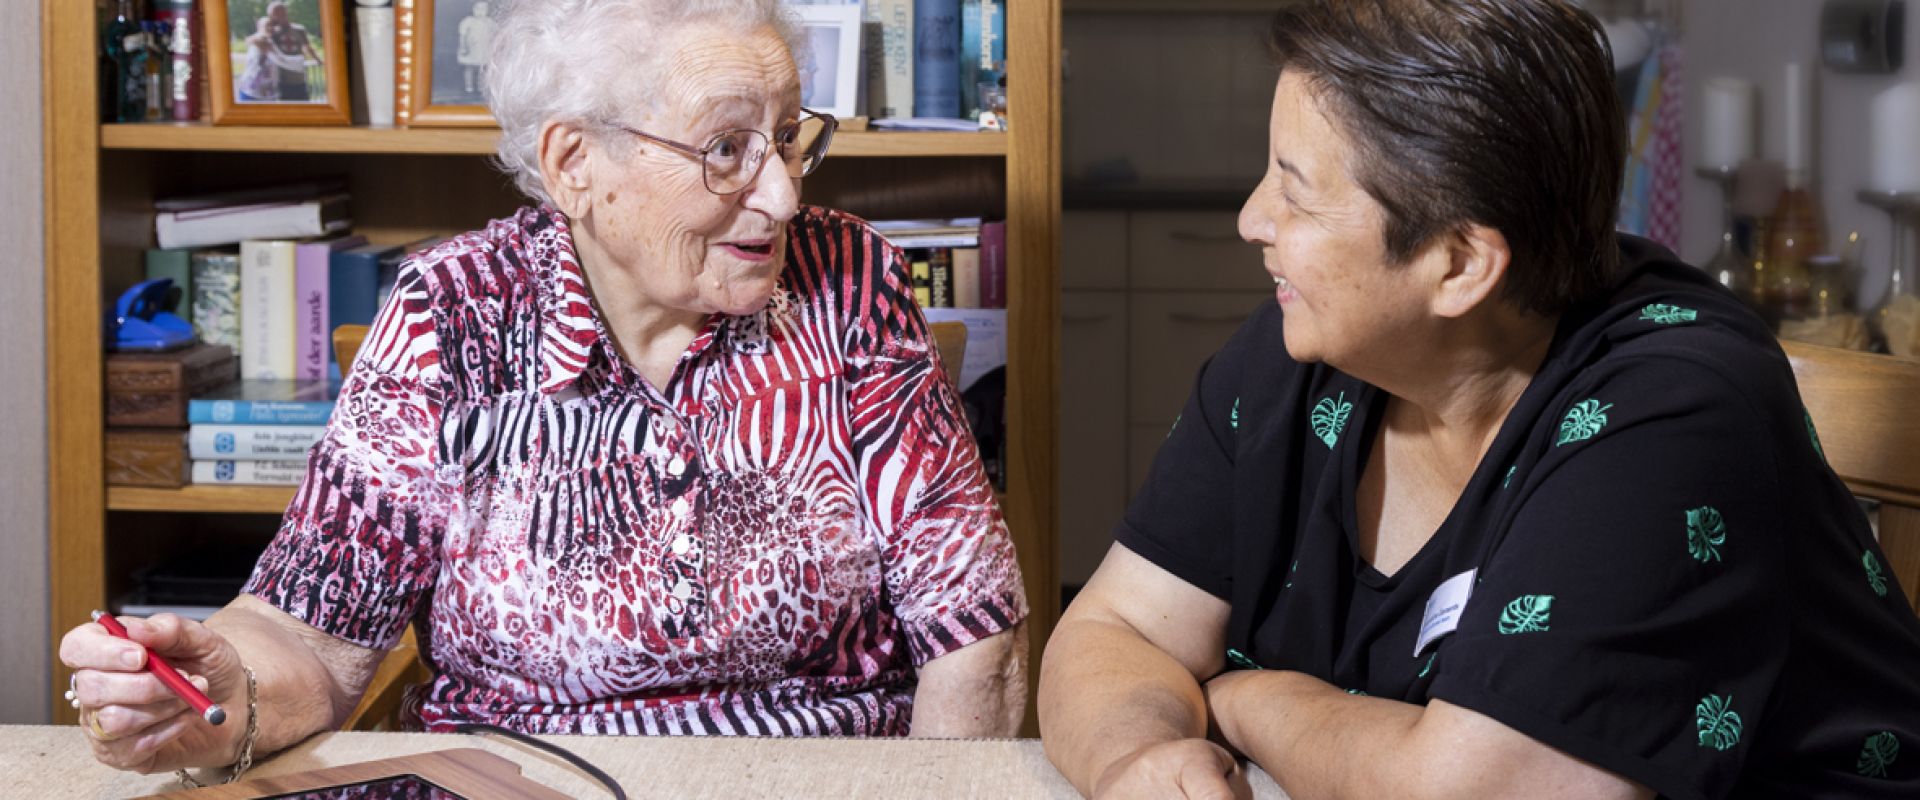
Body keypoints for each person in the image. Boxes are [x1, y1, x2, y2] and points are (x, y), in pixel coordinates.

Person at [62, 0, 1026, 781]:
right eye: (726, 148)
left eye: (785, 137)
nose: (780, 195)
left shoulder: (847, 278)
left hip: (814, 775)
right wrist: (224, 694)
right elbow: (308, 638)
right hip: (524, 778)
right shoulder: (455, 313)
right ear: (575, 163)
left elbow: (972, 631)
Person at [1038, 1, 1920, 798]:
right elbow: (1114, 629)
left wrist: (1243, 699)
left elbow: (1469, 790)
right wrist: (1137, 759)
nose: (1252, 218)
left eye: (1294, 191)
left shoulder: (1676, 412)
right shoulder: (1303, 350)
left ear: (1459, 264)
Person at [259, 1, 320, 102]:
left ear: (286, 12)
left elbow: (307, 47)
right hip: (282, 83)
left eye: (282, 12)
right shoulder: (272, 32)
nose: (280, 15)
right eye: (276, 13)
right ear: (271, 16)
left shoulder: (299, 29)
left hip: (300, 80)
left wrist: (318, 60)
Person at [456, 1, 495, 97]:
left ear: (487, 10)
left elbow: (496, 33)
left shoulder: (489, 22)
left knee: (483, 69)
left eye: (483, 9)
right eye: (477, 9)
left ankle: (480, 87)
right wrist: (463, 46)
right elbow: (462, 35)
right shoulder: (468, 21)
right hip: (471, 49)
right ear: (473, 9)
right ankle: (469, 87)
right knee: (469, 68)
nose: (480, 11)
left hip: (484, 49)